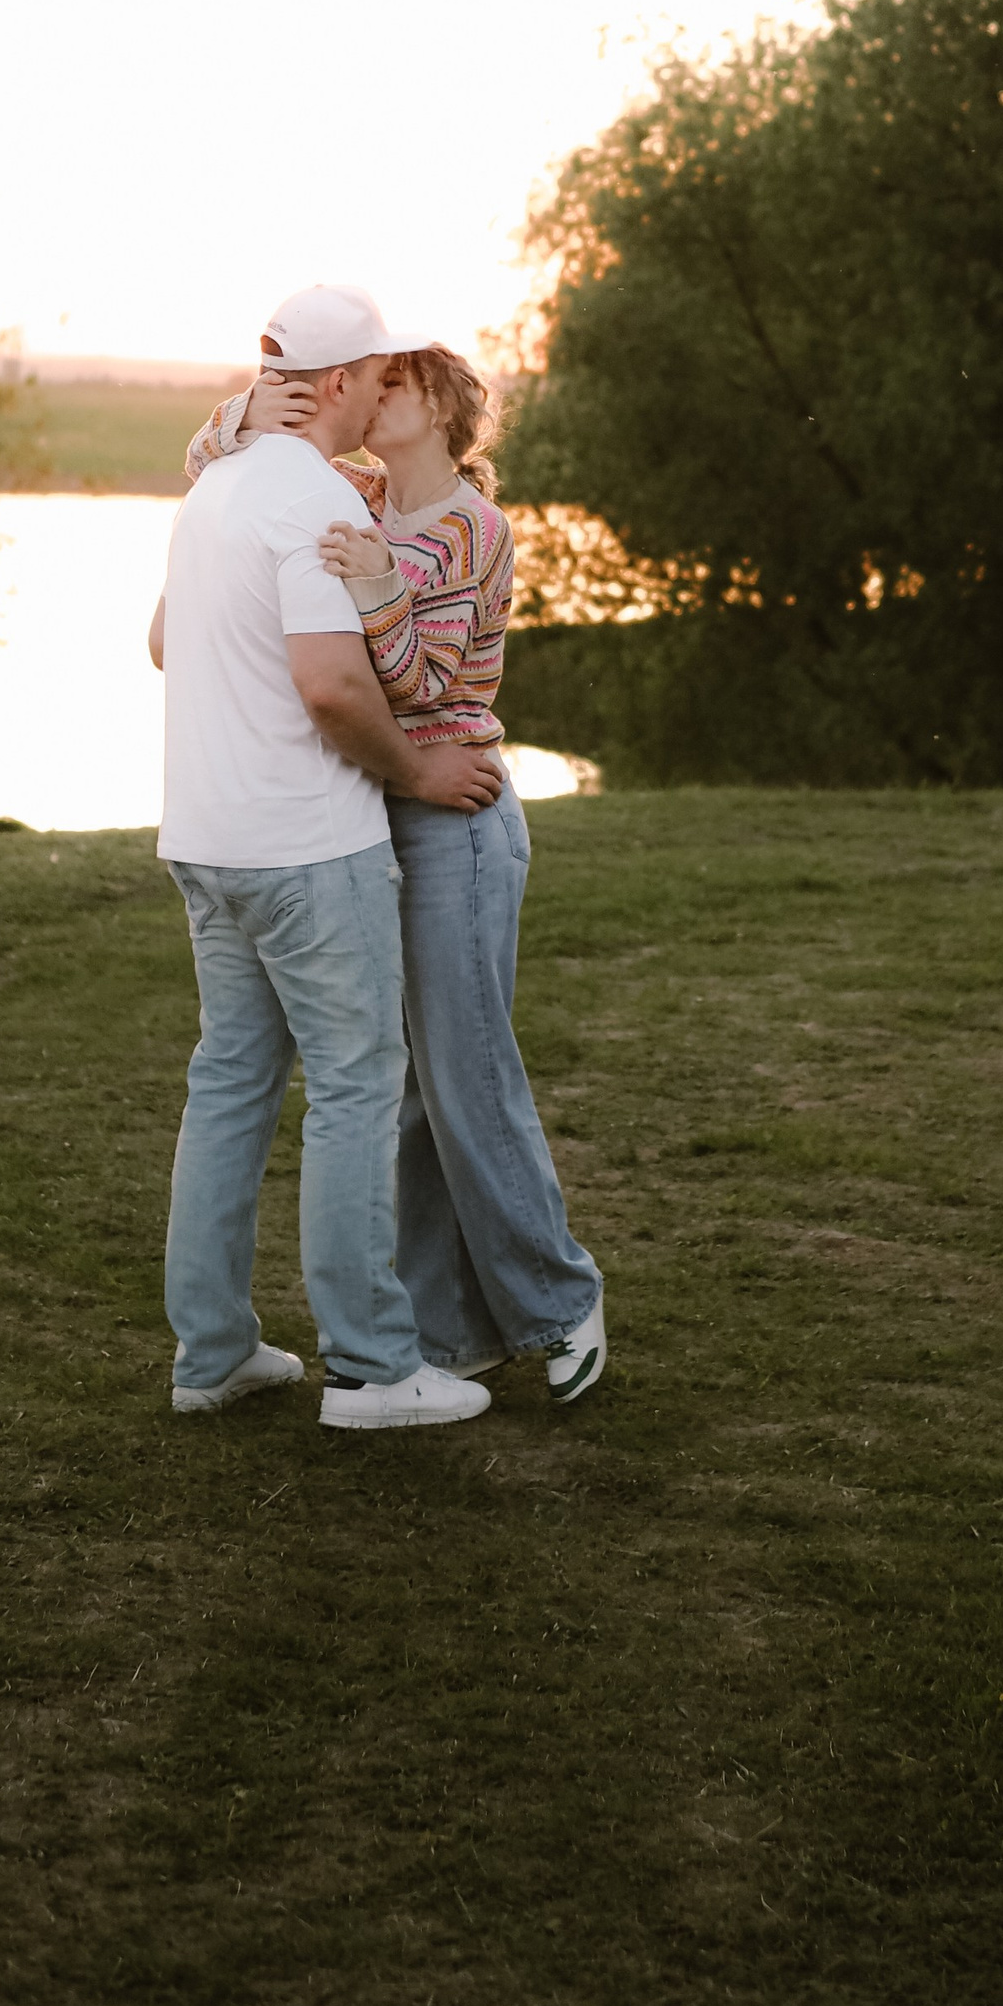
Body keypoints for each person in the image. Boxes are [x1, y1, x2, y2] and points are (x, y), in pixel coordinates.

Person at [186, 340, 606, 1405]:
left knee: (466, 1072)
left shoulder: (474, 524)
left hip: (454, 811)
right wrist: (250, 406)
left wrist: (372, 584)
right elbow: (208, 461)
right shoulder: (357, 489)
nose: (379, 395)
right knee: (414, 1089)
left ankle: (561, 1302)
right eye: (377, 381)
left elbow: (417, 676)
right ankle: (444, 1324)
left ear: (446, 408)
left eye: (400, 383)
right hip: (386, 806)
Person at [149, 281, 505, 1432]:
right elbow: (330, 682)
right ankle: (371, 1366)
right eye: (375, 372)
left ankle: (211, 1352)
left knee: (229, 1084)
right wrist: (417, 772)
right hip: (306, 844)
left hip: (204, 837)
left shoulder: (217, 488)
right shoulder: (306, 497)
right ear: (341, 382)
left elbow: (164, 640)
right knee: (357, 1086)